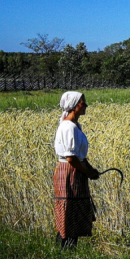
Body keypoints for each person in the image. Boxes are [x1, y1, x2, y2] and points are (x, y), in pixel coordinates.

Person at [53, 91, 99, 247]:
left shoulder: (75, 125)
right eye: (82, 102)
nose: (86, 105)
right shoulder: (68, 127)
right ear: (73, 106)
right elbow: (71, 158)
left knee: (74, 208)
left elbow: (78, 156)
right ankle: (65, 249)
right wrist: (87, 171)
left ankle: (68, 248)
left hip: (75, 170)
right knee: (69, 210)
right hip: (69, 172)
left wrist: (89, 168)